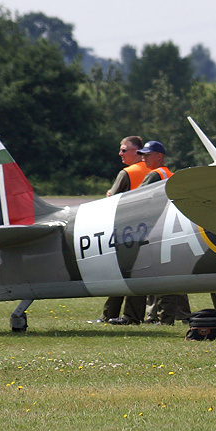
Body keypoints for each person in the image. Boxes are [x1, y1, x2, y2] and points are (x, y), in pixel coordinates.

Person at [137, 141, 191, 324]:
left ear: (159, 156)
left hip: (156, 230)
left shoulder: (154, 175)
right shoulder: (169, 174)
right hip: (172, 228)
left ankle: (160, 317)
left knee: (159, 275)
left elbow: (137, 200)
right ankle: (183, 314)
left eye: (147, 154)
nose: (143, 157)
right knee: (177, 275)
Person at [96, 136, 147, 325]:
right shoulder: (157, 171)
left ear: (137, 151)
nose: (120, 153)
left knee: (121, 272)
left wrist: (109, 193)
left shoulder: (127, 173)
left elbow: (112, 201)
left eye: (124, 150)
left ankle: (113, 315)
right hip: (150, 228)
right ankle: (146, 316)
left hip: (127, 230)